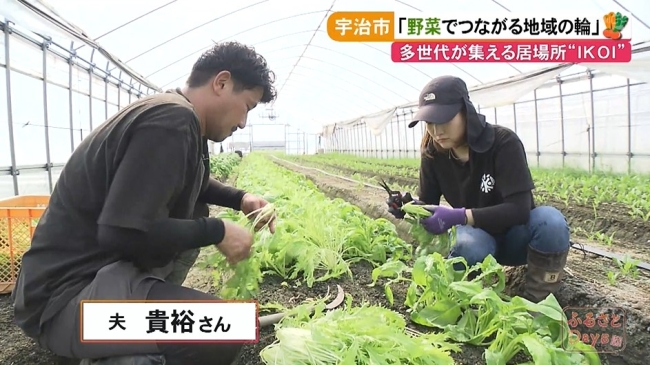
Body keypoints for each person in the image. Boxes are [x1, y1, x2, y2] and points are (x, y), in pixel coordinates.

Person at [11, 41, 277, 365]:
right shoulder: (172, 121)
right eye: (247, 106)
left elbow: (186, 178)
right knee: (225, 331)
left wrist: (239, 198)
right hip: (66, 302)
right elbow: (121, 234)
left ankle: (118, 349)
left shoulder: (177, 115)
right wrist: (217, 230)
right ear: (221, 83)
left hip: (73, 287)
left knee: (222, 325)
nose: (243, 123)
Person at [386, 75, 570, 304]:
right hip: (476, 238)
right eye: (429, 122)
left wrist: (461, 215)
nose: (436, 130)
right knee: (467, 246)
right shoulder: (433, 154)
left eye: (443, 119)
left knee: (551, 221)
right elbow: (429, 202)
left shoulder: (503, 143)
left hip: (516, 237)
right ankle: (471, 302)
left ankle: (539, 304)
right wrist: (409, 208)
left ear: (466, 111)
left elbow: (519, 210)